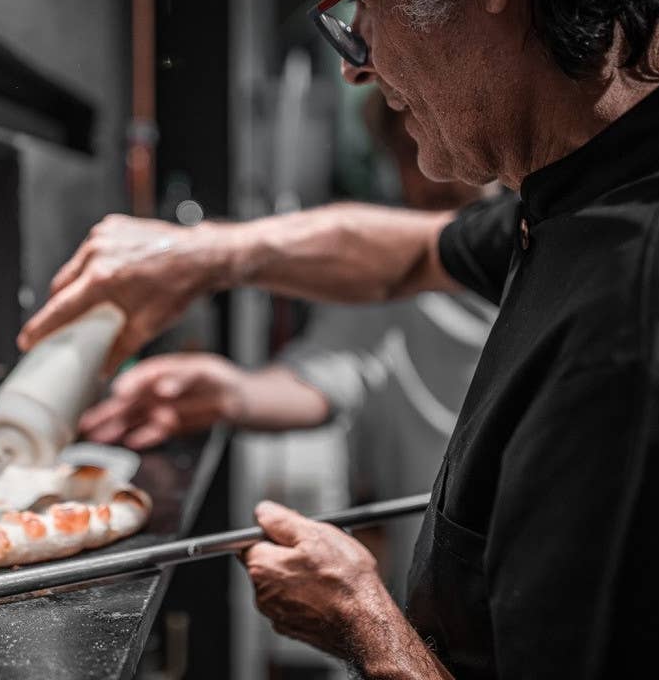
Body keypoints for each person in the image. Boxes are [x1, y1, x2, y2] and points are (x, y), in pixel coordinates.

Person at [19, 0, 659, 676]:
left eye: (365, 1)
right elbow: (413, 251)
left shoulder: (645, 331)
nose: (358, 66)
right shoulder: (647, 159)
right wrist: (203, 256)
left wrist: (363, 621)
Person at [78, 89, 494, 600]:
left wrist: (207, 251)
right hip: (449, 594)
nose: (435, 170)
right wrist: (231, 392)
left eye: (448, 129)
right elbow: (323, 378)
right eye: (411, 148)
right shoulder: (387, 288)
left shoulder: (550, 252)